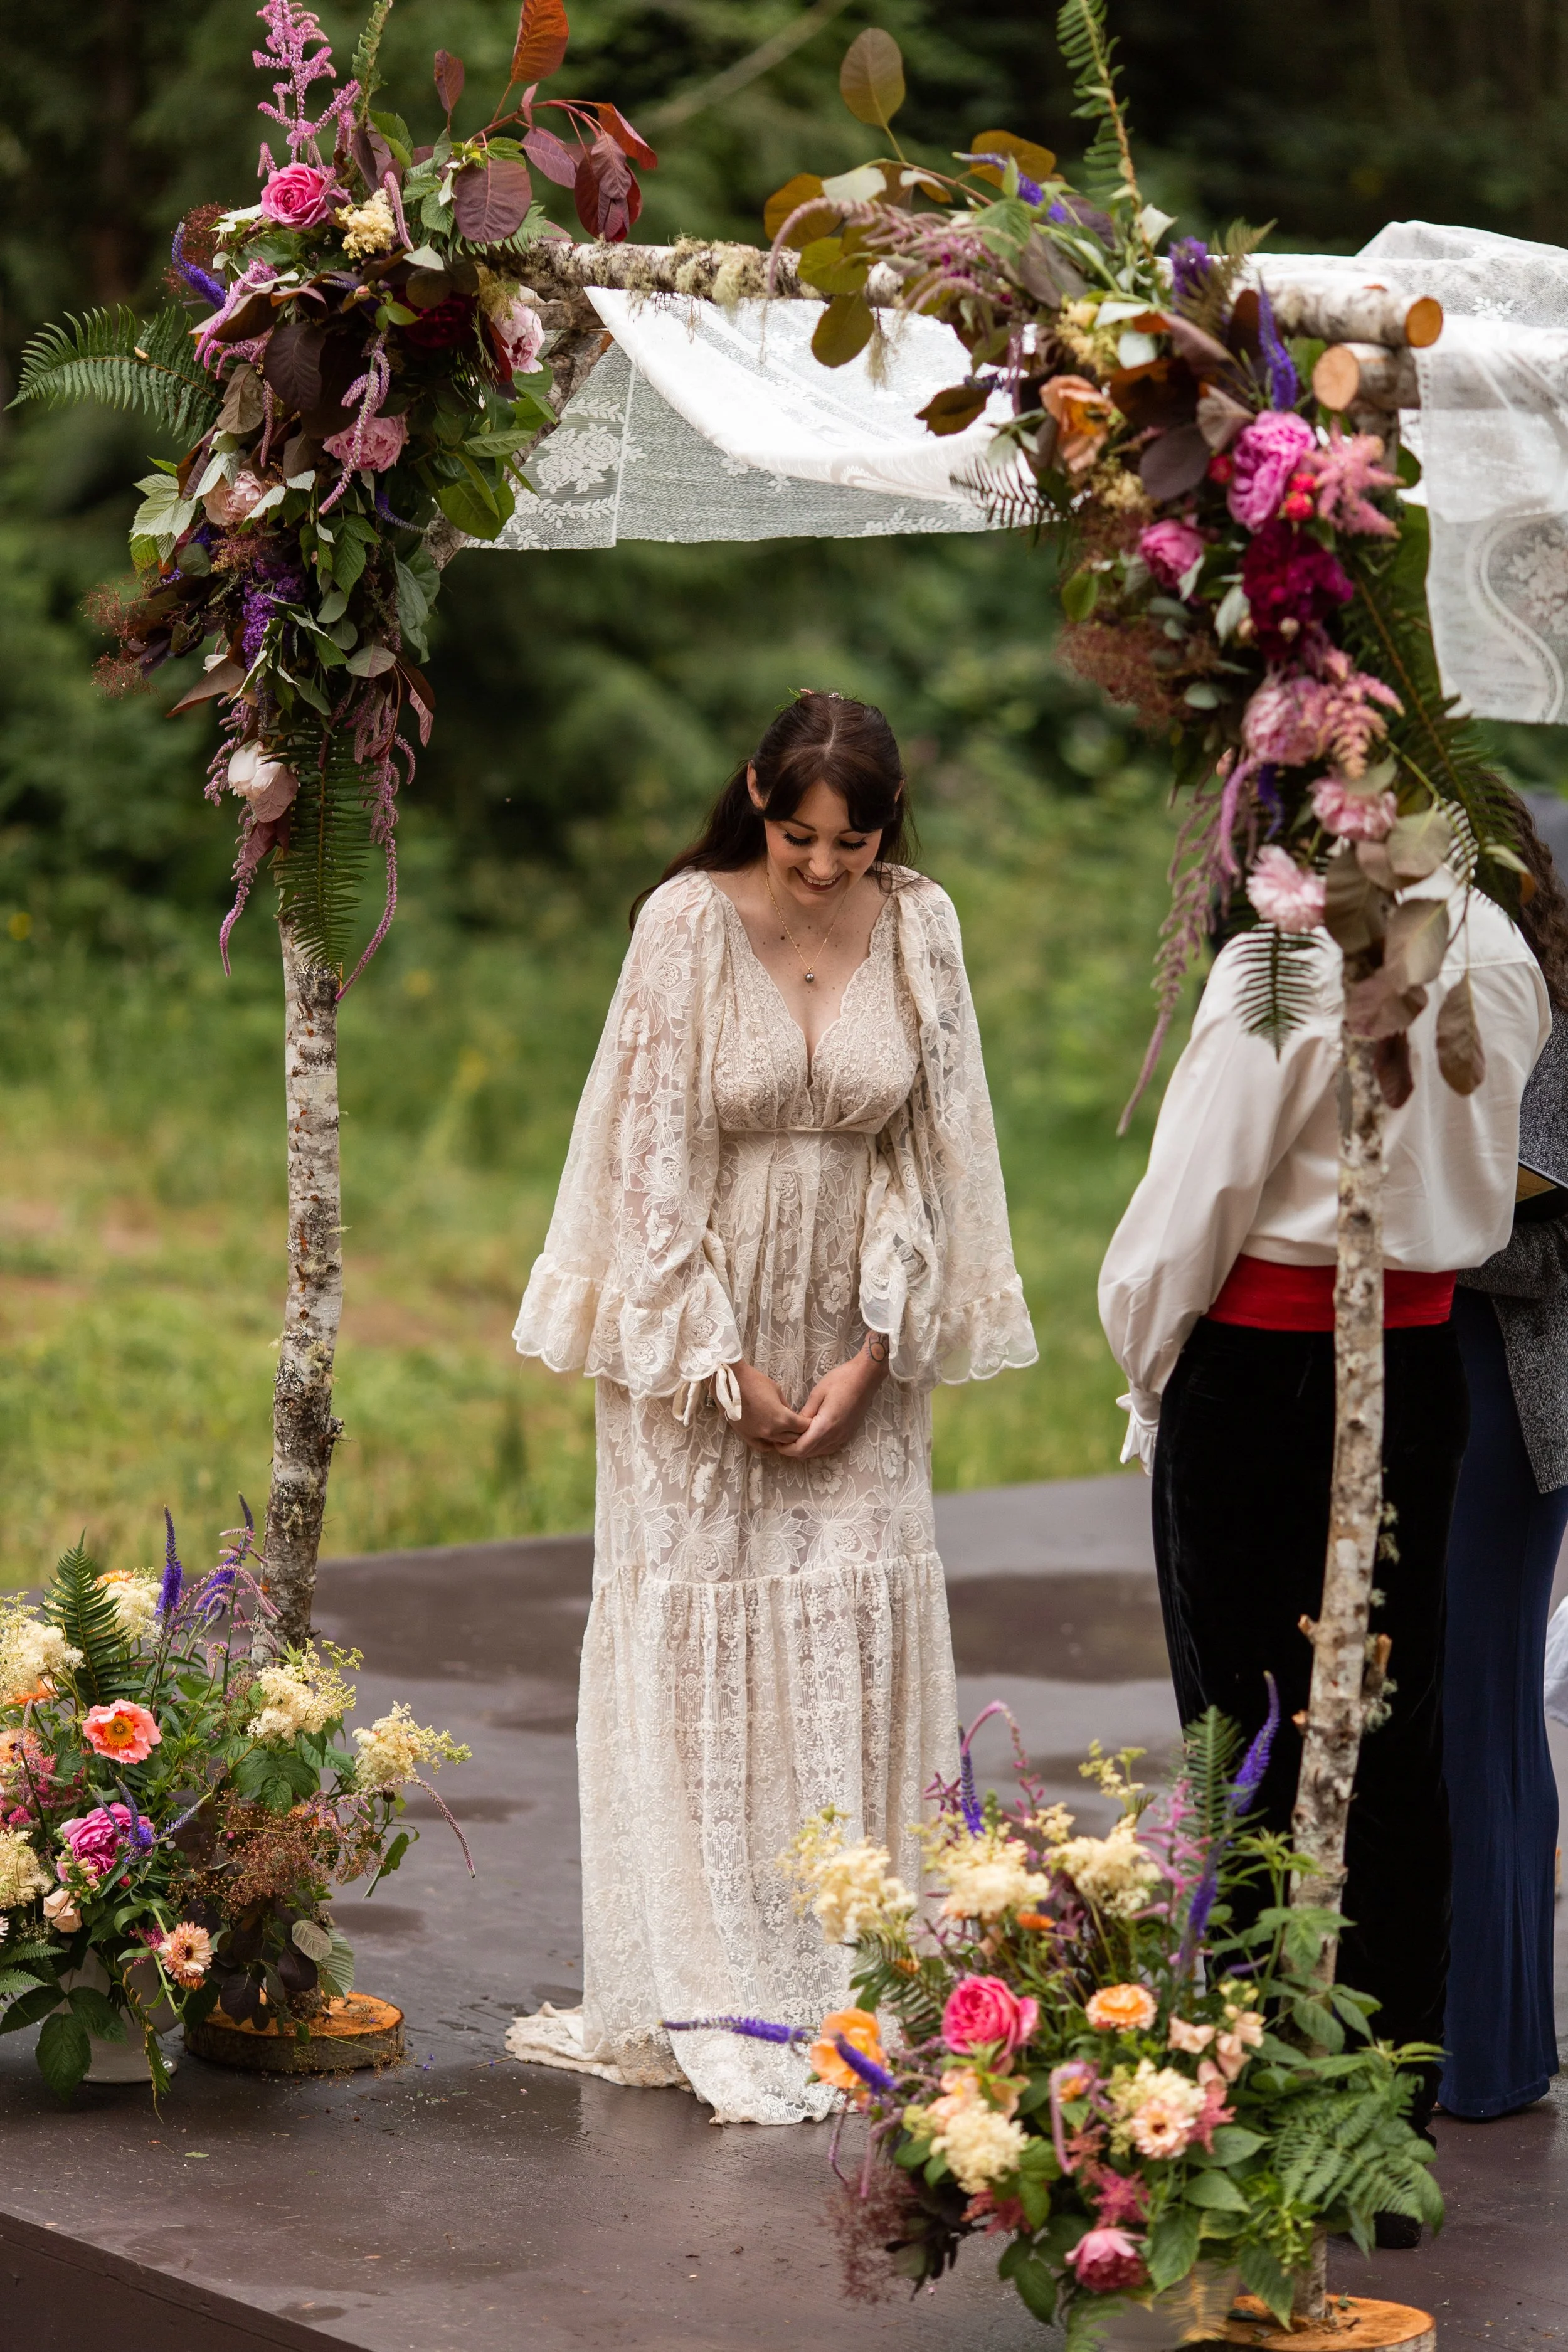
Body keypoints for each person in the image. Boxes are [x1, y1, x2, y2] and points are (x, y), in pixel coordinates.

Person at [507, 691, 1036, 2124]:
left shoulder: (917, 925)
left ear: (886, 830)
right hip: (703, 1339)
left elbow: (941, 1152)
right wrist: (712, 1360)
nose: (820, 869)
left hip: (855, 1328)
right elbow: (645, 1159)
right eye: (797, 838)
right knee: (700, 1627)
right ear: (753, 797)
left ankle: (843, 1967)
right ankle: (706, 1974)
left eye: (848, 844)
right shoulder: (684, 924)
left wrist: (880, 1348)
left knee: (847, 1617)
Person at [1098, 850, 1549, 2193]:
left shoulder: (1286, 959)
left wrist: (1146, 1364)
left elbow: (1191, 1207)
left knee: (1243, 1740)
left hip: (1262, 1366)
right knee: (1389, 1748)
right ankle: (1381, 2134)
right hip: (1417, 1370)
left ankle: (1248, 2118)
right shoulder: (1499, 945)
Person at [1440, 805, 1568, 2122]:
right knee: (1469, 1710)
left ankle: (1482, 2049)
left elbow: (1507, 1221)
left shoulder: (1552, 1030)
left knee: (1474, 1710)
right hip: (1478, 1389)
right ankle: (1491, 2034)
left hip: (1501, 1397)